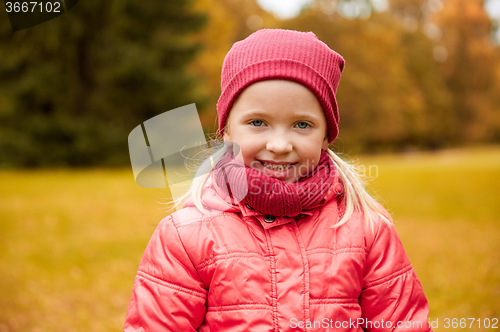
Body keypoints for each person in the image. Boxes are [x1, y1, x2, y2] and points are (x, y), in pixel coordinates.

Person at [124, 29, 432, 331]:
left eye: (301, 124)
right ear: (227, 130)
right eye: (258, 122)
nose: (280, 145)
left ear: (326, 135)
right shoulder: (186, 236)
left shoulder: (366, 229)